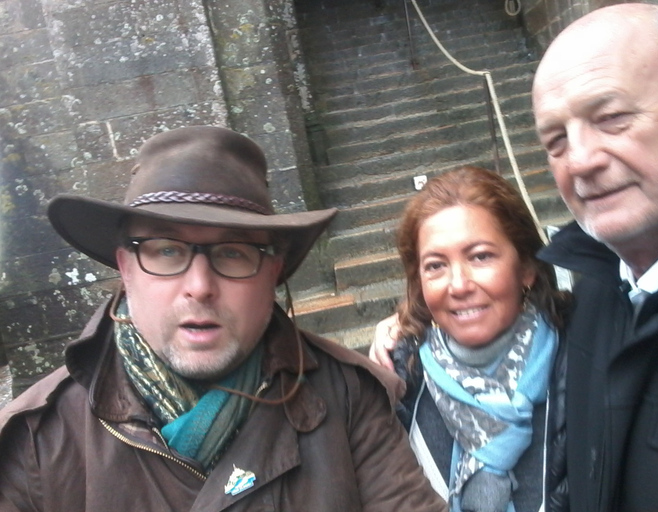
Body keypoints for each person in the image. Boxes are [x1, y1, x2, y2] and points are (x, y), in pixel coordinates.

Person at [374, 3, 658, 511]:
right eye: (555, 140)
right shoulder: (600, 289)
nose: (580, 160)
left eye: (612, 118)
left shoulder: (565, 333)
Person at [0, 126, 447, 511]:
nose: (200, 285)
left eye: (232, 253)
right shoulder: (38, 439)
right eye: (167, 250)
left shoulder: (349, 396)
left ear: (273, 270)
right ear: (125, 267)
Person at [387, 166, 570, 512]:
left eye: (480, 256)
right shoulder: (400, 383)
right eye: (436, 265)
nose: (458, 285)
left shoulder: (583, 361)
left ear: (527, 268)